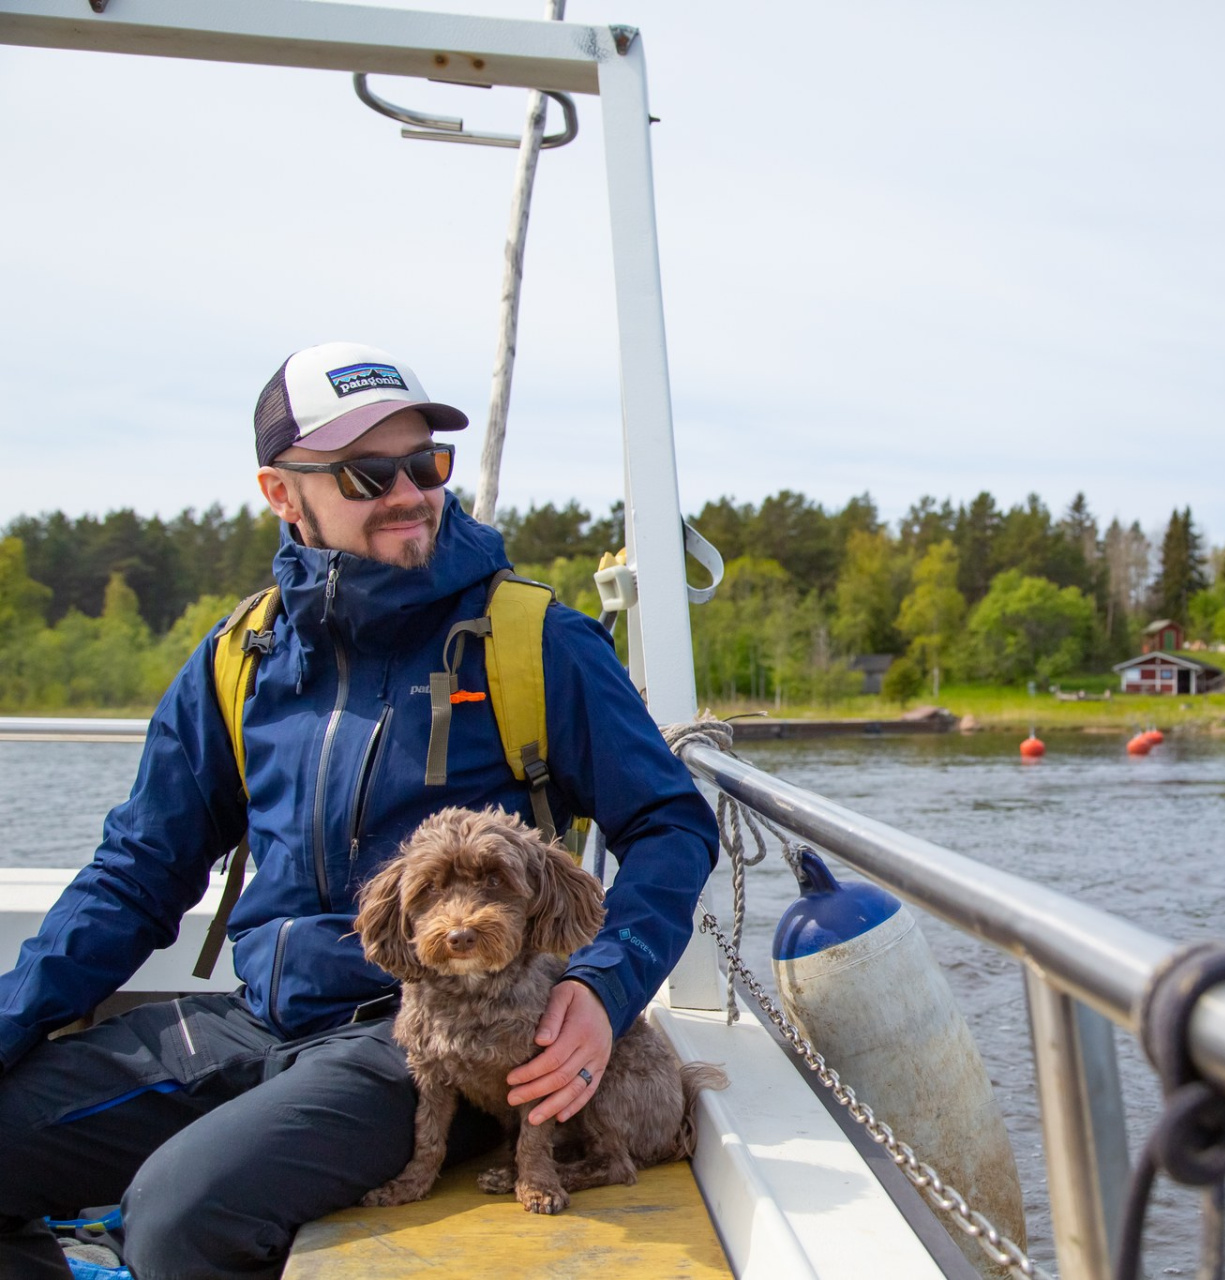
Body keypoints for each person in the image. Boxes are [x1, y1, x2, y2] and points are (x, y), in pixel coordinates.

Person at [0, 342, 720, 1279]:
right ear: (281, 492)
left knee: (178, 1223)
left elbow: (671, 823)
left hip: (430, 1040)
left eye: (425, 463)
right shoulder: (241, 659)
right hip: (255, 1019)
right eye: (366, 473)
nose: (408, 492)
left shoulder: (532, 641)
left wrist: (604, 988)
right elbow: (137, 872)